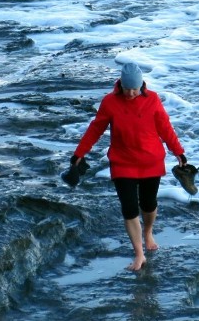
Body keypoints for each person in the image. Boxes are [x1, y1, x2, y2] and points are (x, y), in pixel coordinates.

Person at [71, 62, 187, 271]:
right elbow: (95, 129)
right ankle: (139, 254)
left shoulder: (152, 100)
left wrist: (179, 152)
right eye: (127, 88)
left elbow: (166, 128)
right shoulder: (110, 102)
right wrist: (79, 154)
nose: (131, 93)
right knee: (129, 207)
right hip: (122, 162)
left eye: (135, 88)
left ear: (141, 85)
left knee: (148, 204)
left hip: (151, 160)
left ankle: (148, 232)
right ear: (120, 85)